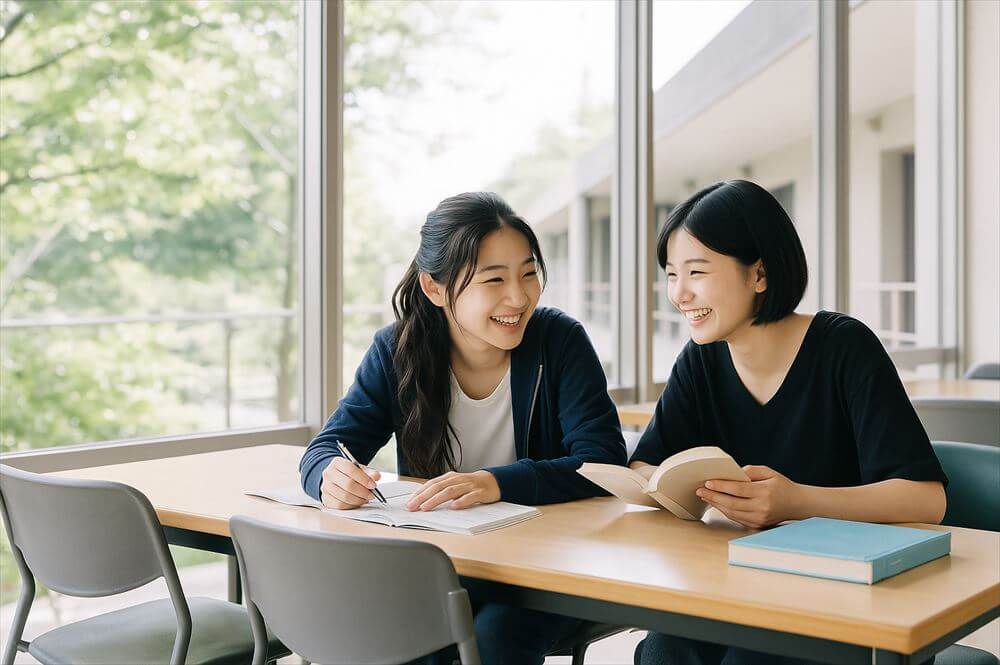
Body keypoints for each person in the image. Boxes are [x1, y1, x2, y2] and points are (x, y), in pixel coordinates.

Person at [300, 191, 626, 665]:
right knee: (410, 639)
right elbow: (326, 448)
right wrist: (329, 475)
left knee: (490, 643)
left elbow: (602, 462)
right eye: (494, 280)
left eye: (529, 273)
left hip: (545, 570)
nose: (519, 297)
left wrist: (496, 483)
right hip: (445, 564)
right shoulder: (398, 350)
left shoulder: (559, 341)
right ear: (435, 289)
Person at [629, 180, 947, 665]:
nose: (679, 293)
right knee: (661, 652)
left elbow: (927, 497)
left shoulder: (844, 347)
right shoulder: (700, 359)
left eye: (696, 272)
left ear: (759, 274)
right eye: (672, 275)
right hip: (736, 582)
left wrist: (796, 502)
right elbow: (646, 465)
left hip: (847, 594)